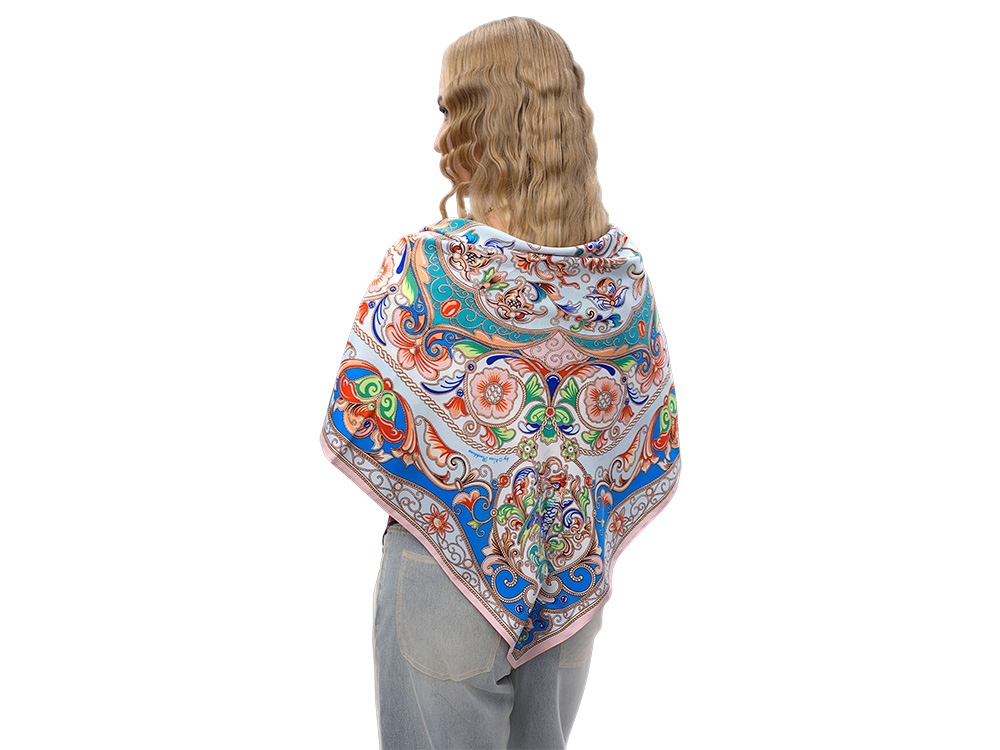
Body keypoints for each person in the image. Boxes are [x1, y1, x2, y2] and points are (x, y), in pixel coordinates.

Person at [320, 17, 681, 750]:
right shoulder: (620, 283)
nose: (438, 139)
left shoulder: (428, 264)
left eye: (450, 111)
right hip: (570, 582)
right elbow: (642, 440)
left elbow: (361, 408)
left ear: (488, 120)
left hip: (440, 575)